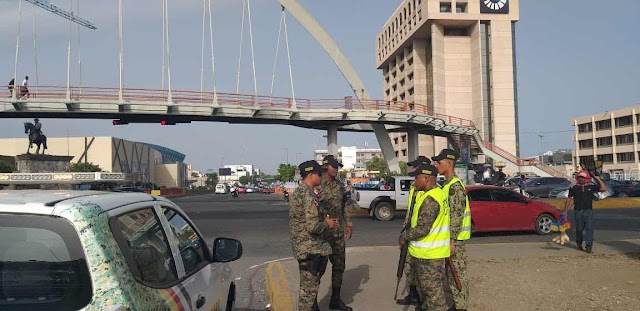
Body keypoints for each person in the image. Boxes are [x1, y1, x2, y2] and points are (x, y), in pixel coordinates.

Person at [400, 162, 454, 311]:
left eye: (416, 178)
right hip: (427, 253)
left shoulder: (430, 199)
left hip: (429, 255)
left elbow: (423, 228)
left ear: (426, 179)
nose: (414, 181)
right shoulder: (435, 193)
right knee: (426, 293)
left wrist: (405, 236)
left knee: (434, 296)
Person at [289, 160, 338, 311]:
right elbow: (313, 226)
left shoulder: (301, 192)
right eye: (319, 173)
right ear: (310, 175)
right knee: (307, 294)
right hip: (310, 249)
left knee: (309, 291)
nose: (322, 176)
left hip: (307, 247)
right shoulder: (308, 195)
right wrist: (327, 224)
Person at [433, 149, 471, 311]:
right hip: (452, 238)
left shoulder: (454, 187)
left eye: (439, 162)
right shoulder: (447, 185)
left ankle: (461, 307)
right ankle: (457, 304)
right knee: (450, 273)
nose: (436, 165)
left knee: (457, 273)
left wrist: (452, 240)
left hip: (456, 239)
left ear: (449, 164)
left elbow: (456, 215)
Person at [317, 155, 353, 311]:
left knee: (339, 266)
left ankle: (335, 299)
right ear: (326, 166)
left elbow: (344, 205)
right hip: (323, 235)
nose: (337, 169)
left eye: (338, 167)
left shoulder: (339, 185)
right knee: (319, 269)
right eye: (334, 166)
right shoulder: (318, 184)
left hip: (337, 234)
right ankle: (311, 303)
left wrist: (348, 224)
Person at [396, 155, 430, 306]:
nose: (412, 170)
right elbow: (411, 211)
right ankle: (413, 294)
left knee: (421, 272)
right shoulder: (415, 187)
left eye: (415, 167)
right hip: (411, 232)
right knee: (409, 267)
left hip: (422, 237)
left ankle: (421, 299)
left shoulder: (426, 190)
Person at [563, 170, 606, 254]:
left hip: (589, 211)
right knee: (579, 229)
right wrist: (565, 210)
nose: (581, 179)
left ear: (586, 178)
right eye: (580, 177)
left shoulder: (591, 186)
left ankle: (589, 246)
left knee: (589, 228)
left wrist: (598, 179)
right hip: (578, 211)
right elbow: (569, 198)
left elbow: (603, 189)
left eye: (583, 177)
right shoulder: (574, 187)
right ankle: (579, 243)